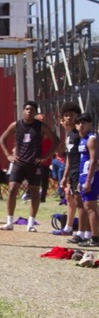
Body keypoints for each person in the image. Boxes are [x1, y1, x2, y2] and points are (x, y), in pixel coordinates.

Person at [0, 101, 60, 232]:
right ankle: (9, 222)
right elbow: (2, 139)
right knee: (12, 190)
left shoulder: (40, 126)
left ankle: (31, 223)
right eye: (26, 109)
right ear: (23, 111)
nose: (29, 111)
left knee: (35, 194)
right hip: (19, 163)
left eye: (32, 110)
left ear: (35, 112)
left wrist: (45, 157)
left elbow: (56, 140)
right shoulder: (16, 125)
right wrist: (8, 155)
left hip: (34, 164)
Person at [56, 101, 90, 242]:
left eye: (71, 115)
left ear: (77, 115)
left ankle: (83, 233)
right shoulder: (69, 134)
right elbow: (69, 158)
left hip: (82, 171)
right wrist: (65, 176)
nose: (69, 118)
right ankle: (84, 232)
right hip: (73, 172)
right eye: (66, 115)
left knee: (83, 203)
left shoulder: (80, 133)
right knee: (76, 201)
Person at [75, 113, 99, 247]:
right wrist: (81, 180)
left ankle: (95, 238)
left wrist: (89, 180)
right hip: (83, 174)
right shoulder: (82, 139)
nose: (81, 125)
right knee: (88, 206)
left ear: (89, 124)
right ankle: (94, 236)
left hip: (91, 175)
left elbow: (93, 160)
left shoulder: (91, 139)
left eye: (84, 122)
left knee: (90, 206)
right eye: (78, 123)